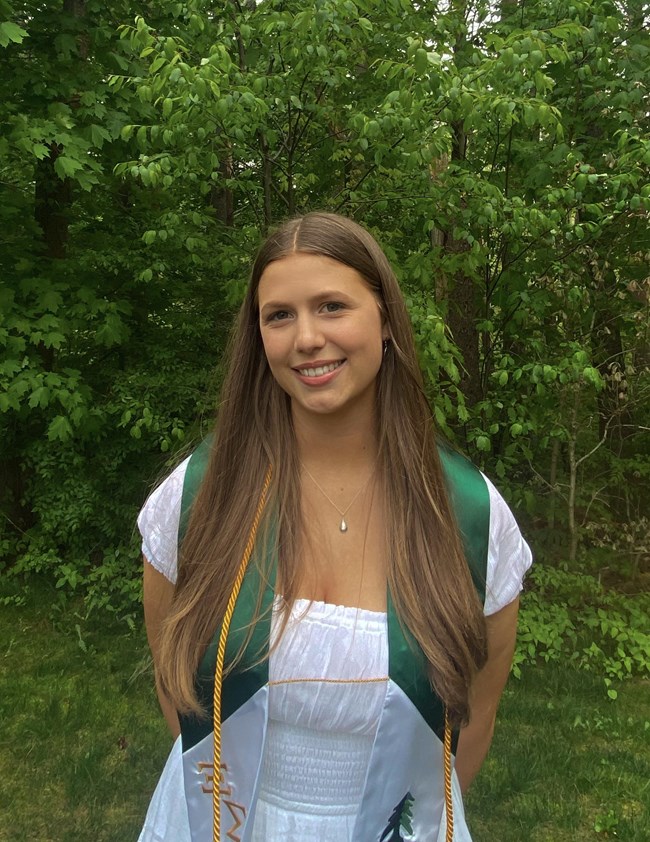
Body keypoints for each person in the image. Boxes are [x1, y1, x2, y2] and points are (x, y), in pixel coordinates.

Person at [138, 212, 532, 842]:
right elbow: (174, 682)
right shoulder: (199, 496)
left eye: (331, 306)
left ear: (384, 318)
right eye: (279, 316)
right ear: (258, 337)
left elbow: (475, 719)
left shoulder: (469, 516)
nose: (307, 338)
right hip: (222, 817)